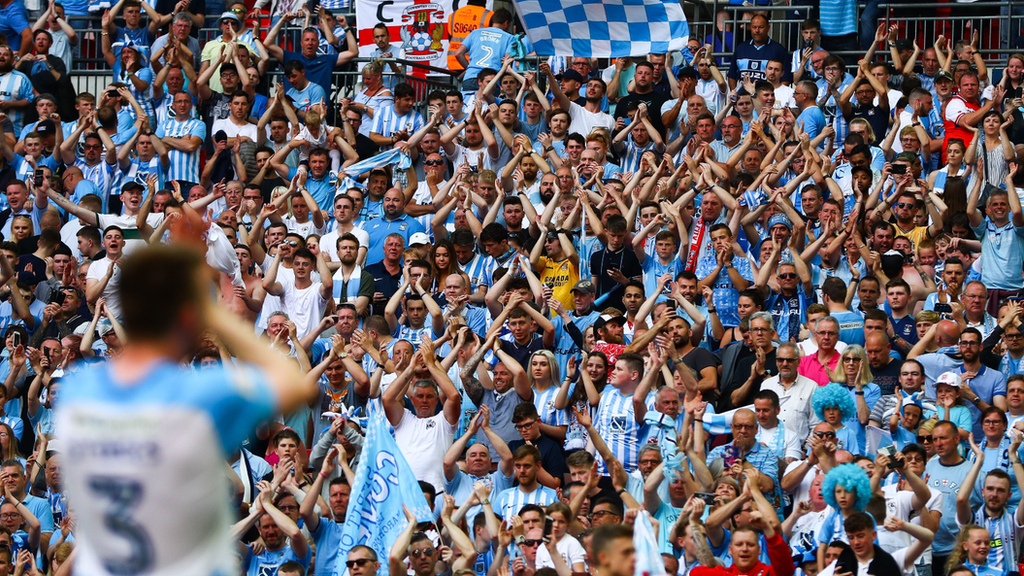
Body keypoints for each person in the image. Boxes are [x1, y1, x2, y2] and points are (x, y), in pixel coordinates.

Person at [56, 244, 313, 576]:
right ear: (186, 314)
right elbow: (295, 383)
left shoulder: (78, 392)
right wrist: (211, 312)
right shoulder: (193, 396)